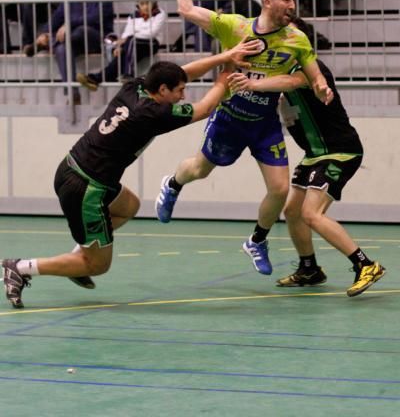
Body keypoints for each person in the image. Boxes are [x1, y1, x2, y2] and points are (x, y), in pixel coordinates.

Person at [1, 38, 261, 309]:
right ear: (163, 90)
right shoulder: (153, 113)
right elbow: (204, 108)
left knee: (128, 206)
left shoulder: (135, 86)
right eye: (180, 91)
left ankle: (81, 255)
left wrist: (225, 56)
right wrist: (227, 75)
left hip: (75, 168)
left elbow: (184, 73)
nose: (183, 95)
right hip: (86, 188)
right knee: (99, 265)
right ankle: (20, 267)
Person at [155, 0, 333, 279]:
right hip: (229, 118)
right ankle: (173, 185)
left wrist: (321, 86)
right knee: (198, 170)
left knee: (280, 189)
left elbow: (311, 73)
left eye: (294, 1)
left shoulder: (296, 38)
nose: (292, 7)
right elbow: (186, 8)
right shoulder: (235, 28)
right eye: (287, 1)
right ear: (268, 2)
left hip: (265, 123)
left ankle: (257, 240)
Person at [228, 18, 385, 297]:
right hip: (315, 154)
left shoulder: (311, 70)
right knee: (291, 211)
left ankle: (366, 265)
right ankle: (309, 269)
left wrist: (251, 84)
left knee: (311, 213)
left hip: (340, 150)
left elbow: (290, 81)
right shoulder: (278, 70)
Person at [34, 0, 113, 102]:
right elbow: (57, 16)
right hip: (73, 40)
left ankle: (51, 42)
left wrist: (68, 25)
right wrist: (45, 33)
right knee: (61, 49)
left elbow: (94, 18)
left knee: (82, 30)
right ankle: (72, 92)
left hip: (94, 37)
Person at [76, 0, 167, 90]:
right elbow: (127, 32)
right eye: (141, 4)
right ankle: (97, 78)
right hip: (134, 45)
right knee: (122, 55)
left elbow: (151, 33)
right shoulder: (134, 15)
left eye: (147, 3)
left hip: (151, 44)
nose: (144, 7)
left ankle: (128, 74)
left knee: (131, 42)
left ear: (153, 2)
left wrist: (129, 38)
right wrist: (121, 45)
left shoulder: (160, 13)